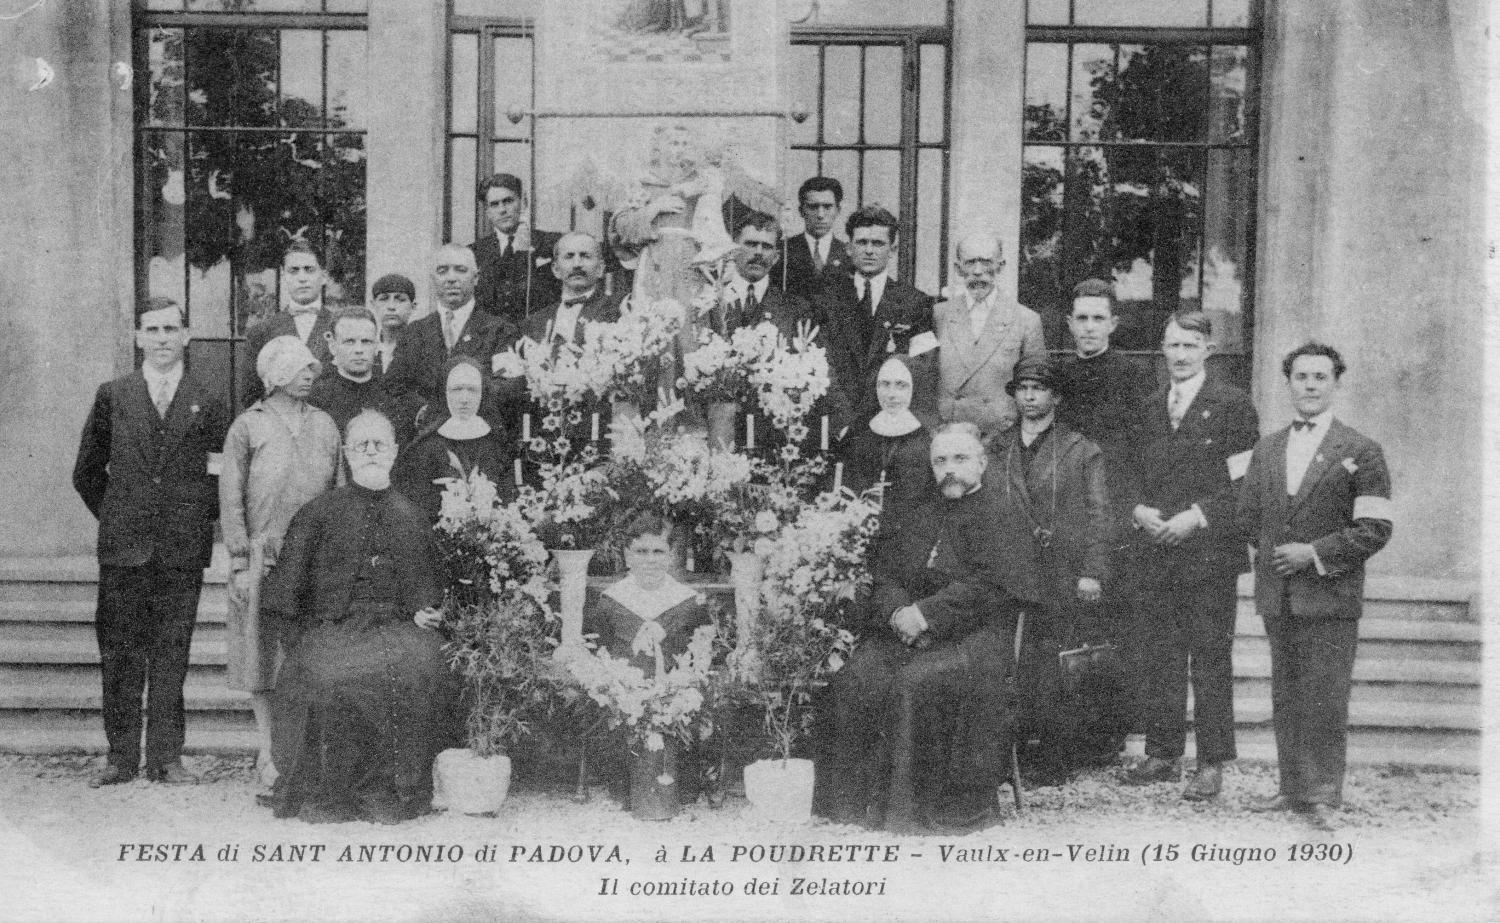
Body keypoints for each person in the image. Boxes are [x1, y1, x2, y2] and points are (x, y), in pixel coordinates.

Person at [818, 423, 1038, 834]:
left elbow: (993, 587)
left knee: (919, 681)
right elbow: (884, 575)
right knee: (855, 677)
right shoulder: (919, 512)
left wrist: (928, 614)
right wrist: (901, 612)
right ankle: (853, 808)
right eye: (940, 461)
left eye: (960, 459)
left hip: (979, 636)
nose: (949, 470)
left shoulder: (1004, 514)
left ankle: (916, 814)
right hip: (909, 627)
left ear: (982, 463)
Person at [259, 409, 455, 824]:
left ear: (395, 452)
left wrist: (428, 610)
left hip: (399, 624)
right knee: (324, 675)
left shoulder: (411, 514)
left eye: (379, 443)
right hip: (334, 625)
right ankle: (332, 792)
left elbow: (430, 584)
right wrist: (305, 634)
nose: (370, 451)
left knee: (418, 667)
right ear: (347, 452)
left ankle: (395, 788)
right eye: (361, 444)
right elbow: (288, 590)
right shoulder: (318, 512)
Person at [73, 298, 230, 786]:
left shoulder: (210, 397)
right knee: (120, 652)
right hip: (124, 549)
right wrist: (121, 517)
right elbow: (86, 473)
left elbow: (221, 476)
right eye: (152, 329)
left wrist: (194, 520)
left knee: (171, 652)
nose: (162, 337)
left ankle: (166, 757)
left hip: (181, 550)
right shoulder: (113, 395)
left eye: (171, 328)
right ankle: (120, 757)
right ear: (138, 337)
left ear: (186, 336)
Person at [1236, 342, 1392, 832]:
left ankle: (1322, 794)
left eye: (1319, 377)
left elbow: (1374, 529)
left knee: (1324, 695)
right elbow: (1248, 514)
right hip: (1279, 594)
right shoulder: (1268, 447)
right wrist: (1261, 547)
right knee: (1286, 692)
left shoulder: (1361, 450)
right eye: (1300, 377)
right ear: (1288, 384)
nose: (1308, 386)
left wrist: (1315, 553)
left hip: (1330, 594)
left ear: (1335, 384)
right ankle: (1291, 787)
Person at [1122, 312, 1259, 801]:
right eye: (1173, 345)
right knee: (1160, 654)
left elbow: (1244, 485)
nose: (1180, 355)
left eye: (1190, 346)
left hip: (1208, 554)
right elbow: (1127, 474)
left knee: (1208, 657)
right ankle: (1162, 753)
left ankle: (1212, 761)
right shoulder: (1147, 406)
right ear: (1162, 348)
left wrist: (1196, 517)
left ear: (1208, 349)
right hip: (1155, 550)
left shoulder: (1232, 405)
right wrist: (1138, 510)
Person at [218, 336, 341, 790]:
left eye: (311, 368)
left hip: (317, 560)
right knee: (261, 659)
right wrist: (238, 562)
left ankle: (306, 755)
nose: (310, 375)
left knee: (310, 657)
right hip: (261, 560)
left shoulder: (326, 424)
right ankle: (268, 751)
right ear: (276, 374)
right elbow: (230, 498)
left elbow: (340, 492)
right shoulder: (247, 427)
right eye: (300, 368)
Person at [989, 356, 1115, 782]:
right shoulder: (998, 447)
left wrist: (1092, 571)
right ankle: (1012, 756)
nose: (1028, 396)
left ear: (1055, 397)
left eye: (1038, 389)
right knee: (1011, 661)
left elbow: (1100, 515)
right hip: (1010, 570)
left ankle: (1056, 758)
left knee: (1053, 664)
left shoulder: (1082, 450)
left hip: (1060, 572)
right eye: (1022, 388)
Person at [1054, 277, 1157, 761]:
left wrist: (1129, 505)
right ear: (1070, 324)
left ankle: (1114, 734)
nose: (1090, 327)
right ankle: (1070, 736)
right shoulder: (1061, 376)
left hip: (1116, 513)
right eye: (1082, 318)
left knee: (1117, 622)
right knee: (1071, 622)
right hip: (1068, 514)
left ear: (1114, 324)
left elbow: (1142, 449)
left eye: (1099, 318)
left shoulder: (1135, 378)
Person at [811, 204, 935, 436]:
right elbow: (821, 364)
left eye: (878, 243)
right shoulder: (825, 301)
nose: (869, 250)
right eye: (862, 242)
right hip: (837, 426)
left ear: (893, 249)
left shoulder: (916, 303)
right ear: (848, 247)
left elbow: (922, 369)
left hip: (893, 424)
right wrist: (844, 420)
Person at [933, 232, 1046, 445]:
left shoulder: (1026, 320)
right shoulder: (939, 315)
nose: (977, 271)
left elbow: (1035, 390)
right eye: (970, 263)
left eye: (986, 262)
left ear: (1001, 266)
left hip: (1000, 442)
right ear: (958, 268)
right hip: (947, 439)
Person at [383, 243, 519, 420]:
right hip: (426, 435)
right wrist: (423, 411)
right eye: (442, 271)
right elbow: (394, 387)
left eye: (460, 270)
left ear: (476, 277)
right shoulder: (414, 332)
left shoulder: (500, 330)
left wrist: (463, 407)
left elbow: (507, 386)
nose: (451, 278)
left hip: (479, 433)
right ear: (433, 279)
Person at [394, 356, 516, 522]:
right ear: (444, 393)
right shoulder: (425, 448)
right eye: (457, 389)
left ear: (483, 393)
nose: (464, 399)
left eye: (472, 390)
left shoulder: (497, 445)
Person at [585, 513, 709, 675]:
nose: (650, 560)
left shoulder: (689, 602)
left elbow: (701, 658)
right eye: (641, 551)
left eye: (658, 552)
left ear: (670, 557)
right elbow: (598, 654)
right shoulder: (610, 601)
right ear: (628, 557)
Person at [838, 354, 937, 530]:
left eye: (901, 385)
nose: (891, 394)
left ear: (914, 388)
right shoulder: (859, 432)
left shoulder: (928, 439)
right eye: (884, 384)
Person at [240, 241, 337, 409]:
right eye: (294, 271)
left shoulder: (340, 327)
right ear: (284, 276)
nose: (301, 278)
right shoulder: (262, 332)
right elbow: (250, 396)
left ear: (324, 277)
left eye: (309, 270)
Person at [308, 307, 421, 447]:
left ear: (376, 346)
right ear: (332, 346)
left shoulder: (394, 396)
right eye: (349, 341)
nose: (359, 350)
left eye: (366, 341)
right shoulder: (315, 398)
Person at [472, 174, 562, 324]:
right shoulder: (474, 253)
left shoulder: (552, 243)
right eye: (494, 204)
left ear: (523, 202)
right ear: (487, 212)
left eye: (508, 201)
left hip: (539, 336)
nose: (502, 210)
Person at [714, 215, 809, 338]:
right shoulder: (711, 301)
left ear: (775, 257)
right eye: (751, 244)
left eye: (767, 246)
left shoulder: (795, 309)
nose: (759, 252)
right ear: (733, 251)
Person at [780, 176, 851, 298]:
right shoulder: (784, 250)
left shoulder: (848, 254)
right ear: (801, 211)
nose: (820, 215)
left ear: (838, 210)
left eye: (827, 207)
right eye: (813, 207)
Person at [370, 273, 417, 374]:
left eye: (400, 300)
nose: (391, 306)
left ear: (413, 306)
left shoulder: (422, 349)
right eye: (383, 299)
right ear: (373, 305)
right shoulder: (366, 347)